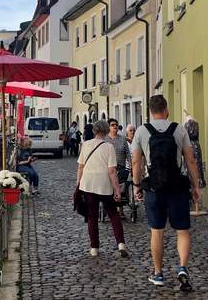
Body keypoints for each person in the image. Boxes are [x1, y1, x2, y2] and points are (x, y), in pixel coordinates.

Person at [131, 94, 201, 292]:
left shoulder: (142, 131)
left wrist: (137, 186)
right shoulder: (179, 129)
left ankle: (158, 273)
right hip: (177, 187)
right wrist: (196, 186)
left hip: (154, 188)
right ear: (166, 109)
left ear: (151, 112)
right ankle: (183, 268)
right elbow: (190, 160)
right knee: (183, 231)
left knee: (157, 232)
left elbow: (136, 162)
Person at [76, 120, 129, 258]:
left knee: (92, 216)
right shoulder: (109, 147)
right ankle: (121, 244)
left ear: (94, 131)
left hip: (88, 184)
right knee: (113, 214)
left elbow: (80, 167)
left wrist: (78, 184)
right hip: (104, 185)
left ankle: (94, 248)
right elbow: (112, 171)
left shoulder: (86, 145)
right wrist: (117, 190)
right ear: (106, 131)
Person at [105, 118, 131, 219]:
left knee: (121, 187)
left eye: (116, 124)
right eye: (112, 125)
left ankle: (121, 210)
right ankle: (111, 210)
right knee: (109, 189)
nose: (115, 126)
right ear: (108, 127)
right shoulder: (105, 139)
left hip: (121, 167)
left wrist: (131, 165)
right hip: (108, 168)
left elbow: (128, 154)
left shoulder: (122, 139)